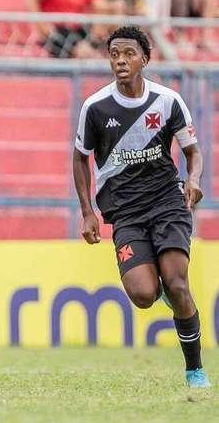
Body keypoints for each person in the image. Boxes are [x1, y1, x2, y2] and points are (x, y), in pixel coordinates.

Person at [73, 25, 210, 390]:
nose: (120, 60)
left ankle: (195, 370)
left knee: (179, 283)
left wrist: (193, 179)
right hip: (126, 212)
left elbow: (193, 151)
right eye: (115, 54)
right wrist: (87, 211)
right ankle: (161, 289)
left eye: (129, 53)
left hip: (168, 202)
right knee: (144, 295)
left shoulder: (167, 101)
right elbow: (80, 159)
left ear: (145, 59)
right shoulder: (95, 107)